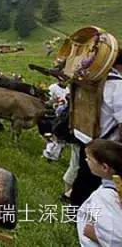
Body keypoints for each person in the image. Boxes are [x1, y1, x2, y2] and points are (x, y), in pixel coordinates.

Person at [71, 51, 122, 206]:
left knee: (84, 174)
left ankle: (75, 208)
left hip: (84, 135)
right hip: (104, 144)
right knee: (97, 182)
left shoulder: (91, 78)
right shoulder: (118, 85)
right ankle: (88, 216)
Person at [76, 139, 122, 246]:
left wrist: (95, 235)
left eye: (89, 159)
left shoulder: (106, 196)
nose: (86, 160)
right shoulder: (115, 185)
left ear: (104, 167)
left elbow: (116, 238)